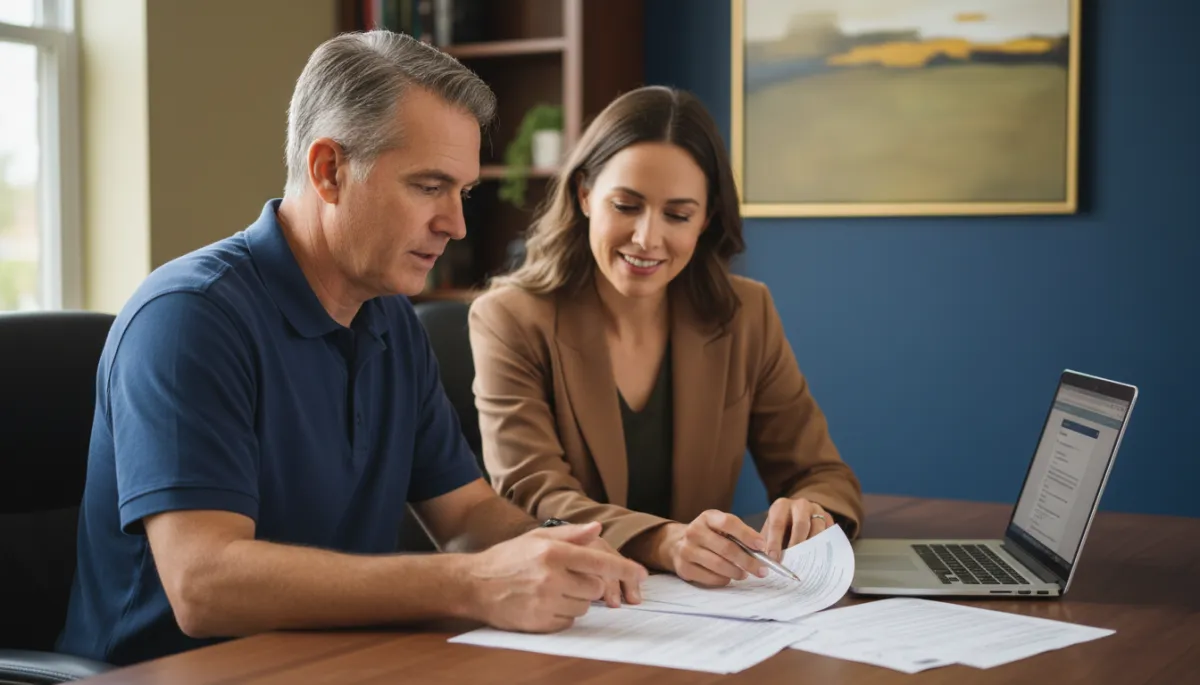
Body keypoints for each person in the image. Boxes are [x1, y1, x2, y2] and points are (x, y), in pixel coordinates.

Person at [56, 30, 646, 667]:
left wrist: (559, 548)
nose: (456, 224)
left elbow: (468, 513)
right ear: (329, 170)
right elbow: (205, 584)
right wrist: (474, 584)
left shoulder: (392, 320)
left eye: (463, 192)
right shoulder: (188, 319)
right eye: (429, 186)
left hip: (339, 662)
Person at [468, 85, 864, 589]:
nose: (647, 238)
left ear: (706, 220)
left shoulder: (746, 314)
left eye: (677, 215)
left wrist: (814, 512)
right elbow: (533, 494)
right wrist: (662, 541)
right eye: (626, 205)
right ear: (585, 194)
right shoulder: (509, 318)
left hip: (705, 621)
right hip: (575, 608)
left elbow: (823, 472)